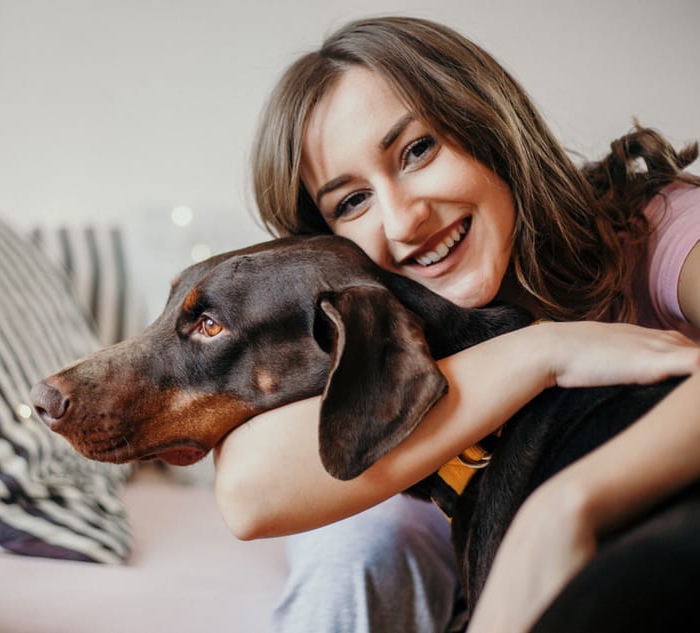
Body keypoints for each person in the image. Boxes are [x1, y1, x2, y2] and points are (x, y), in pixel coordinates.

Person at [212, 15, 700, 633]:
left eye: (417, 150)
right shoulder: (382, 341)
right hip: (430, 526)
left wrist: (564, 510)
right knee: (361, 543)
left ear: (489, 128)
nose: (404, 220)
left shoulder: (649, 229)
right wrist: (547, 352)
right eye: (351, 202)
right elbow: (247, 496)